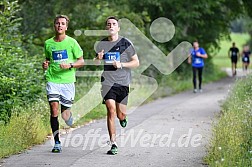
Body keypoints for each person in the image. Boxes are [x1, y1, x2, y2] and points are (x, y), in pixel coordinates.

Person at [94, 16, 139, 155]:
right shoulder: (101, 44)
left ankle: (123, 118)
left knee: (120, 114)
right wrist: (98, 58)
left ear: (118, 28)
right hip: (108, 82)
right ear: (106, 28)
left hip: (123, 83)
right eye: (108, 24)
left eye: (114, 24)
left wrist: (122, 64)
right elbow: (95, 63)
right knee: (111, 110)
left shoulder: (126, 43)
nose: (111, 26)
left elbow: (136, 63)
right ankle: (113, 143)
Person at [42, 15, 84, 153]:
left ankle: (68, 116)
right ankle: (57, 142)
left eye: (62, 23)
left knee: (65, 115)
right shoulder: (48, 43)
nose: (60, 25)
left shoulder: (72, 42)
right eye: (57, 23)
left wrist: (71, 65)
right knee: (54, 108)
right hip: (53, 80)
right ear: (54, 25)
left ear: (66, 27)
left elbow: (81, 61)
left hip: (67, 82)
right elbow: (48, 60)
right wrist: (45, 65)